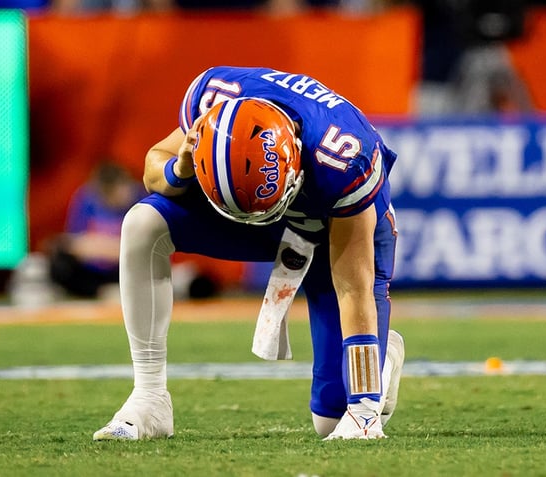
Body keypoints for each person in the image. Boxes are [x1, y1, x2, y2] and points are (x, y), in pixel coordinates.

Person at [92, 66, 405, 441]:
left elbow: (354, 289)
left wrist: (365, 409)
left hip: (332, 227)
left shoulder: (343, 158)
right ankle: (148, 399)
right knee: (142, 223)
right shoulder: (216, 100)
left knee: (333, 419)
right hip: (262, 208)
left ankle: (381, 359)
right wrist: (181, 168)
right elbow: (153, 166)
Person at [48, 161, 145, 299]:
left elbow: (145, 247)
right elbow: (75, 243)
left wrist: (102, 246)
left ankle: (122, 289)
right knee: (60, 263)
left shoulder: (143, 199)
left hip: (125, 269)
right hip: (93, 270)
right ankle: (102, 291)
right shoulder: (86, 198)